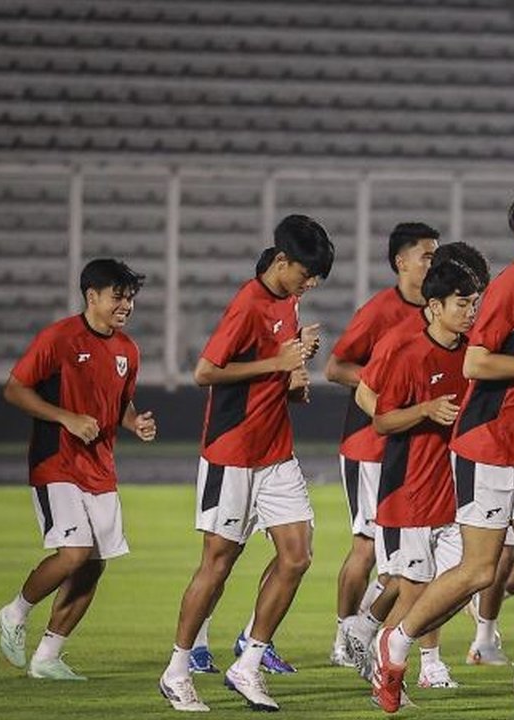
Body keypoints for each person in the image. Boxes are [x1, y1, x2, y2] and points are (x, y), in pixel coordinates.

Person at [371, 190, 514, 720]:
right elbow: (475, 363)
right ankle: (395, 642)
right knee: (478, 571)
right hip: (488, 447)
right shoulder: (510, 288)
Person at [158, 215, 334, 713]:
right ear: (282, 261)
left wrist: (295, 374)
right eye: (306, 274)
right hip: (232, 454)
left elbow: (280, 375)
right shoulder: (247, 305)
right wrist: (278, 363)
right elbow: (205, 371)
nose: (310, 284)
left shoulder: (288, 300)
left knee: (297, 556)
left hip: (276, 452)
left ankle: (248, 664)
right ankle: (176, 671)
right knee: (218, 564)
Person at [0, 259, 155, 681]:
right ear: (92, 296)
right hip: (57, 462)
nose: (126, 306)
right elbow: (14, 389)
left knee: (94, 564)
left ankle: (47, 657)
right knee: (74, 553)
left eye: (130, 298)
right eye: (118, 297)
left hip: (100, 468)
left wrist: (134, 422)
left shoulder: (128, 350)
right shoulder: (59, 337)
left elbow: (120, 404)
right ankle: (14, 612)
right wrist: (66, 417)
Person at [353, 259, 483, 697]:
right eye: (462, 304)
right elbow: (382, 421)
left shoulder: (474, 355)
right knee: (413, 592)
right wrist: (426, 409)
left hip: (456, 493)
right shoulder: (410, 355)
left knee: (461, 584)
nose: (470, 312)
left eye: (474, 303)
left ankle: (383, 642)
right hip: (409, 492)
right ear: (435, 306)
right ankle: (397, 668)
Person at [327, 223, 440, 667]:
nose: (433, 262)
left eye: (436, 255)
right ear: (400, 262)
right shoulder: (380, 311)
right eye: (426, 255)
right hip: (369, 445)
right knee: (367, 545)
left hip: (411, 448)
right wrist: (388, 385)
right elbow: (336, 367)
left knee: (406, 553)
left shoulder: (437, 311)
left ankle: (366, 626)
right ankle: (344, 637)